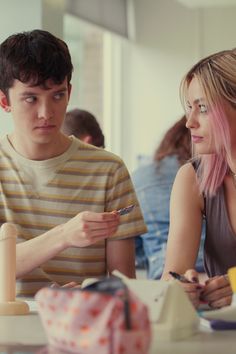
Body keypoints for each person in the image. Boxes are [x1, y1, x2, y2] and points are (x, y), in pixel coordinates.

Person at [0, 29, 147, 297]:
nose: (46, 113)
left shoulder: (109, 171)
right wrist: (64, 236)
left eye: (57, 95)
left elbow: (124, 285)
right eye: (31, 98)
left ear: (69, 91)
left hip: (82, 324)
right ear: (4, 101)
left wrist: (90, 293)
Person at [161, 49, 236, 309]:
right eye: (189, 108)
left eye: (202, 108)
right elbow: (172, 277)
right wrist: (182, 288)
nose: (189, 122)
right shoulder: (191, 178)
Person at [132, 116, 205, 279]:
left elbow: (133, 244)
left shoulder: (139, 178)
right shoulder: (206, 174)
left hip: (165, 274)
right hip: (219, 277)